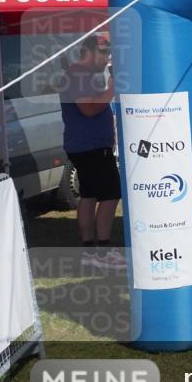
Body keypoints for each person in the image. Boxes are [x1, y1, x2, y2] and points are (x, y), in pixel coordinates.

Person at [59, 34, 123, 269]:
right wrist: (111, 91)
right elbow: (87, 108)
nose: (107, 59)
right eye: (105, 53)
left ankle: (89, 251)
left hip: (86, 145)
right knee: (109, 194)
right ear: (89, 51)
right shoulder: (77, 75)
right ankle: (103, 252)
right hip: (91, 146)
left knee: (88, 196)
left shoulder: (80, 75)